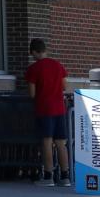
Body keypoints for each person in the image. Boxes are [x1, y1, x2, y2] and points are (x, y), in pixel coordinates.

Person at [26, 37, 70, 186]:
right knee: (61, 143)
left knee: (46, 142)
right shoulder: (58, 65)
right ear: (45, 50)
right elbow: (64, 86)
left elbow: (32, 93)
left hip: (44, 109)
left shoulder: (34, 69)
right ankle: (65, 177)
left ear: (34, 52)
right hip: (60, 108)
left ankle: (48, 176)